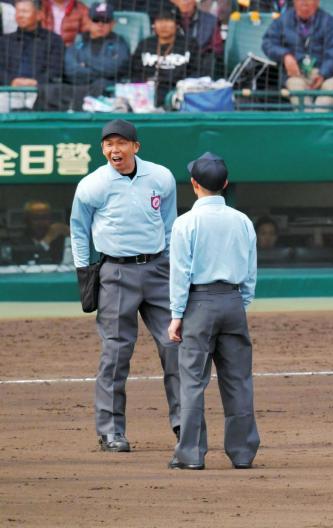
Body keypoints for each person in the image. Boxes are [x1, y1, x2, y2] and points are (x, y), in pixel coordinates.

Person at [69, 119, 181, 453]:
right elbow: (78, 230)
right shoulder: (92, 185)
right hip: (115, 272)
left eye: (120, 143)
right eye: (108, 144)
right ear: (102, 149)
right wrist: (84, 271)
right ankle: (110, 431)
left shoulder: (161, 177)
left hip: (158, 269)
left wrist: (175, 267)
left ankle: (184, 424)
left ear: (136, 146)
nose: (114, 150)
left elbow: (170, 223)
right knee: (116, 353)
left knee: (175, 347)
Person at [167, 152, 259, 471]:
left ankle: (190, 454)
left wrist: (177, 315)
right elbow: (250, 272)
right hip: (233, 302)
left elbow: (180, 273)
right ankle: (243, 452)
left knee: (192, 381)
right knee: (238, 381)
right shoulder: (242, 220)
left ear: (194, 184)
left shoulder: (185, 223)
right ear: (225, 184)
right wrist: (239, 304)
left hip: (198, 304)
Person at [263, 0, 333, 111]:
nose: (304, 2)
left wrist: (323, 73)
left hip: (324, 74)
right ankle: (308, 121)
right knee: (296, 87)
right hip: (296, 74)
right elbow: (268, 43)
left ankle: (316, 121)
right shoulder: (282, 20)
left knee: (332, 85)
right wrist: (285, 55)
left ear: (317, 2)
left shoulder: (330, 22)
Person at [132, 7, 199, 108]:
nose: (163, 25)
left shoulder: (189, 44)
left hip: (177, 93)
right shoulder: (145, 44)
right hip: (145, 94)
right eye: (159, 21)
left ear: (177, 24)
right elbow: (134, 70)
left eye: (168, 20)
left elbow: (197, 71)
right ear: (154, 24)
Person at [0, 0, 65, 90]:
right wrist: (11, 81)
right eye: (17, 12)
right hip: (8, 91)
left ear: (39, 15)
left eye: (25, 12)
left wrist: (36, 82)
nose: (20, 16)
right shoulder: (4, 41)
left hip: (42, 93)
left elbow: (55, 70)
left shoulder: (53, 41)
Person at [64, 2, 130, 86]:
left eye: (105, 21)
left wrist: (85, 63)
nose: (100, 24)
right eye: (96, 20)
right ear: (88, 22)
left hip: (107, 91)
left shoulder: (120, 43)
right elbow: (70, 71)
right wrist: (100, 71)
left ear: (113, 24)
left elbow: (114, 68)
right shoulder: (78, 42)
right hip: (79, 90)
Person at [170, 0, 222, 76]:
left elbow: (217, 49)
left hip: (199, 68)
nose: (185, 2)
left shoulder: (211, 21)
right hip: (171, 65)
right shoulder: (166, 21)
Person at [14, 200, 70, 265]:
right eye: (36, 218)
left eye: (45, 218)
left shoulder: (59, 240)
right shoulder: (18, 243)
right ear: (27, 221)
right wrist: (47, 240)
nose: (41, 222)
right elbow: (32, 261)